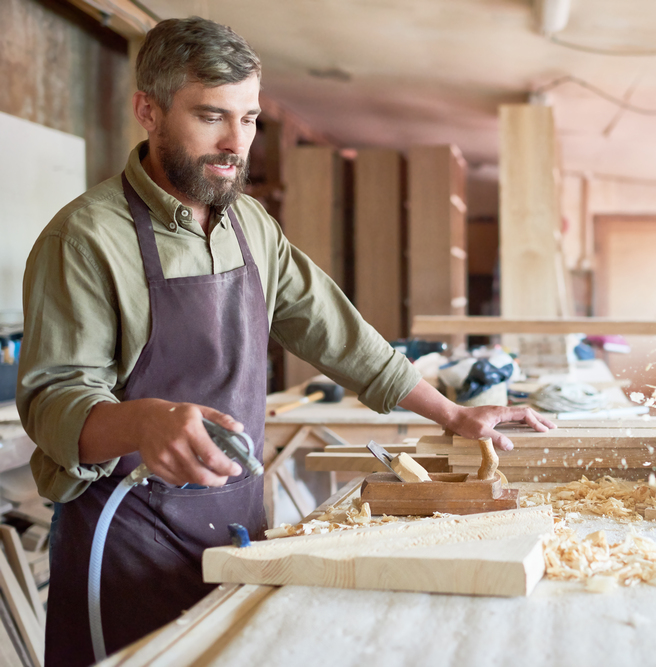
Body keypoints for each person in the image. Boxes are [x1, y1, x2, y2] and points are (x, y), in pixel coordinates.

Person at [16, 16, 554, 665]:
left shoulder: (248, 224)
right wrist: (143, 421)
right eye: (211, 116)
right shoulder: (85, 238)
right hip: (128, 537)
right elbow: (52, 403)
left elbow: (337, 331)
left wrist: (452, 412)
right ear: (148, 112)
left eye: (248, 119)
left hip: (239, 522)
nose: (234, 143)